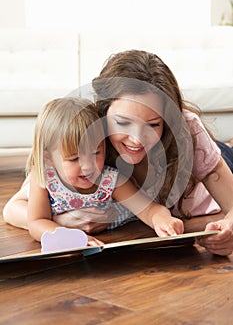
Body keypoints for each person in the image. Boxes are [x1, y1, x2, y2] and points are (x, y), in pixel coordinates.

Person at [3, 50, 233, 255]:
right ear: (103, 115)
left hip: (215, 168)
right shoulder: (87, 139)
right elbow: (13, 210)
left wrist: (228, 230)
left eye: (153, 124)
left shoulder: (186, 130)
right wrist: (63, 226)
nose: (136, 139)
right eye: (123, 122)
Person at [17, 96, 184, 246]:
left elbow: (148, 209)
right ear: (49, 159)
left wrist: (163, 220)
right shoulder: (45, 179)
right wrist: (69, 237)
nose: (88, 166)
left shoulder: (111, 180)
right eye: (74, 159)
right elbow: (37, 222)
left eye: (96, 153)